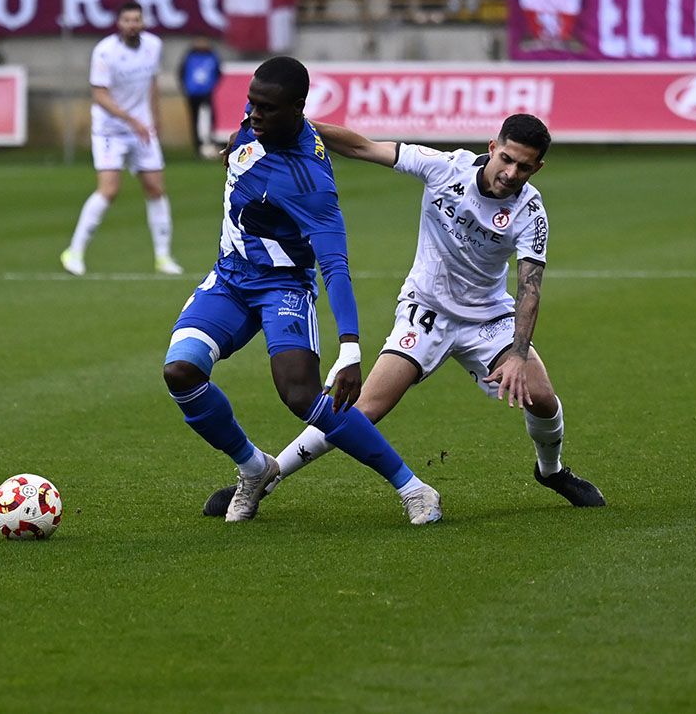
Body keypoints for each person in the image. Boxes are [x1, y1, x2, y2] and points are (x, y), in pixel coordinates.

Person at [203, 113, 605, 518]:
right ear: (492, 148)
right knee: (360, 411)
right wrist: (296, 125)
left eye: (523, 166)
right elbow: (364, 147)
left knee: (542, 398)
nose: (511, 172)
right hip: (425, 310)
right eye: (507, 158)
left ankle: (550, 471)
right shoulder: (444, 167)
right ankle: (268, 477)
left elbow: (530, 288)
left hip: (488, 318)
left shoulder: (531, 212)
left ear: (538, 168)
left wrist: (518, 354)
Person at [162, 56, 441, 525]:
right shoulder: (258, 125)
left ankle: (414, 488)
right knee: (181, 371)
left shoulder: (312, 184)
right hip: (229, 279)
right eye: (250, 104)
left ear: (297, 109)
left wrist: (350, 350)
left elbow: (335, 266)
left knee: (301, 395)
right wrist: (236, 144)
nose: (253, 115)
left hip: (282, 286)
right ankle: (254, 468)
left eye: (265, 109)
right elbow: (244, 142)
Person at [61, 2, 182, 276]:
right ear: (119, 23)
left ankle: (163, 257)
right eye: (127, 19)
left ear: (143, 22)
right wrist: (131, 119)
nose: (132, 24)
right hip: (110, 130)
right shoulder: (105, 52)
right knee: (109, 190)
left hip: (142, 128)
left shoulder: (153, 46)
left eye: (136, 19)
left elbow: (151, 83)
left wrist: (155, 118)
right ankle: (75, 251)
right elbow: (99, 94)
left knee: (155, 188)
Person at [178, 37, 222, 159]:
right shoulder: (189, 56)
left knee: (208, 118)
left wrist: (211, 87)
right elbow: (181, 73)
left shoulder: (212, 56)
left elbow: (218, 73)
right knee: (195, 119)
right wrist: (186, 88)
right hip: (192, 94)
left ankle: (209, 143)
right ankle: (199, 146)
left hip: (206, 93)